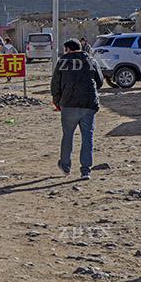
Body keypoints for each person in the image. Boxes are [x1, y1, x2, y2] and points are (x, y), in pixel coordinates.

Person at [51, 38, 104, 180]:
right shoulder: (91, 61)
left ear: (68, 49)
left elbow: (55, 85)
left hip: (68, 105)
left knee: (67, 135)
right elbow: (99, 82)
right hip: (88, 105)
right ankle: (86, 171)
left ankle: (65, 166)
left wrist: (57, 102)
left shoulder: (62, 62)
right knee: (87, 137)